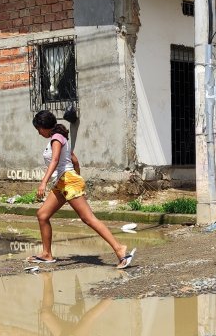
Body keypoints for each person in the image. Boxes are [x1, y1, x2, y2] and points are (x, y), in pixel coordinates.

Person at [27, 110, 135, 269]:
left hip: (67, 181)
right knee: (42, 215)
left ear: (44, 127)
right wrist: (76, 178)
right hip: (63, 183)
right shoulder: (59, 137)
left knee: (88, 218)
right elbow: (75, 160)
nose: (38, 132)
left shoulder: (56, 138)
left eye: (38, 129)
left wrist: (44, 182)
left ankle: (120, 249)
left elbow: (55, 160)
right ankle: (47, 254)